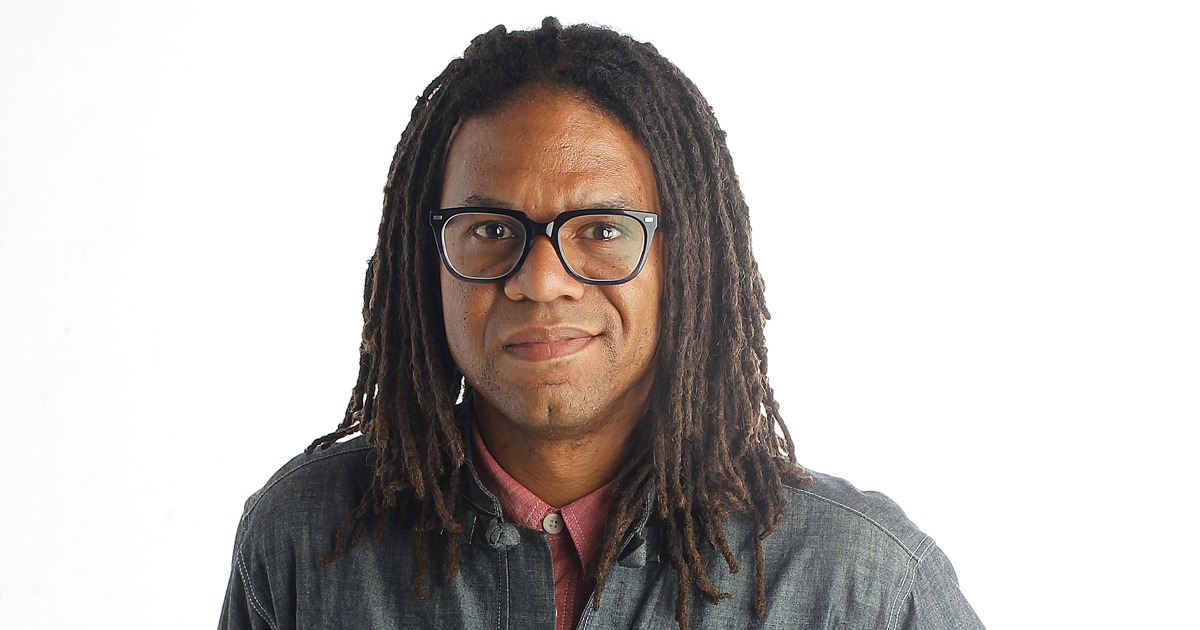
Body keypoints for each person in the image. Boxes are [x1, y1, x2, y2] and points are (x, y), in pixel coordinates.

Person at [219, 18, 985, 630]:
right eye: (490, 229)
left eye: (602, 229)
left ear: (681, 263)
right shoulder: (303, 543)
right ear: (428, 261)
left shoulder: (863, 587)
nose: (541, 281)